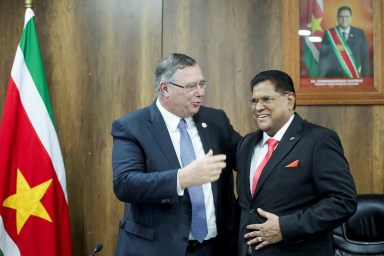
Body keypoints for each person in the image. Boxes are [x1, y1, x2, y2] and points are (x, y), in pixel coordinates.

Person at [111, 53, 241, 256]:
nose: (200, 93)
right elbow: (125, 183)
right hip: (157, 248)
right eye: (191, 87)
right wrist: (182, 178)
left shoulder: (216, 120)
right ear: (165, 88)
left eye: (202, 84)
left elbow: (247, 161)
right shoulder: (132, 127)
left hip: (215, 247)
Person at [236, 70, 357, 256]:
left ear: (289, 100)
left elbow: (343, 201)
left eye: (266, 99)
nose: (258, 107)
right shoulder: (246, 144)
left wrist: (285, 227)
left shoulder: (318, 140)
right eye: (254, 101)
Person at [318, 6, 371, 78]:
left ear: (351, 18)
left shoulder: (359, 33)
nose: (344, 19)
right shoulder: (329, 34)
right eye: (341, 17)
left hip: (355, 78)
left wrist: (365, 78)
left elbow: (365, 58)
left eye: (347, 16)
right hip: (333, 78)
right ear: (337, 18)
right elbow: (323, 59)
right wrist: (323, 79)